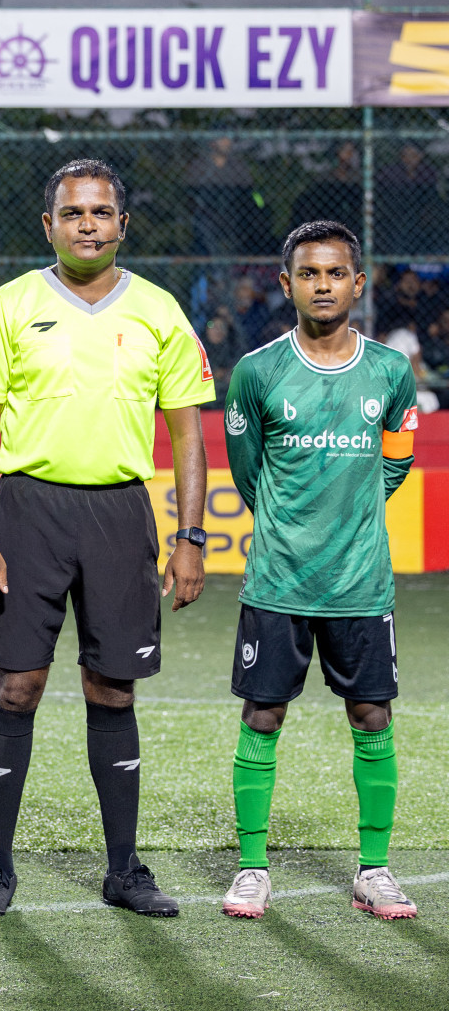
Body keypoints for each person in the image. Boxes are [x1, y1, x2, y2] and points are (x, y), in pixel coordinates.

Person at [0, 159, 214, 918]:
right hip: (26, 512)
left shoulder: (161, 311)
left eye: (102, 213)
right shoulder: (11, 304)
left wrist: (191, 535)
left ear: (121, 224)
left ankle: (124, 870)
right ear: (49, 225)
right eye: (73, 214)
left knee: (113, 686)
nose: (88, 224)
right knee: (17, 687)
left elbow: (188, 434)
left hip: (119, 513)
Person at [220, 221, 420, 921]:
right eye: (310, 274)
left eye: (337, 273)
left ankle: (375, 869)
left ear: (358, 284)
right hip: (279, 580)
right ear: (287, 284)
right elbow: (249, 475)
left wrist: (353, 514)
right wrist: (292, 522)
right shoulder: (257, 373)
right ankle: (251, 869)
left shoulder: (392, 373)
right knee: (263, 714)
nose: (324, 284)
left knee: (372, 714)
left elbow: (396, 460)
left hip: (361, 583)